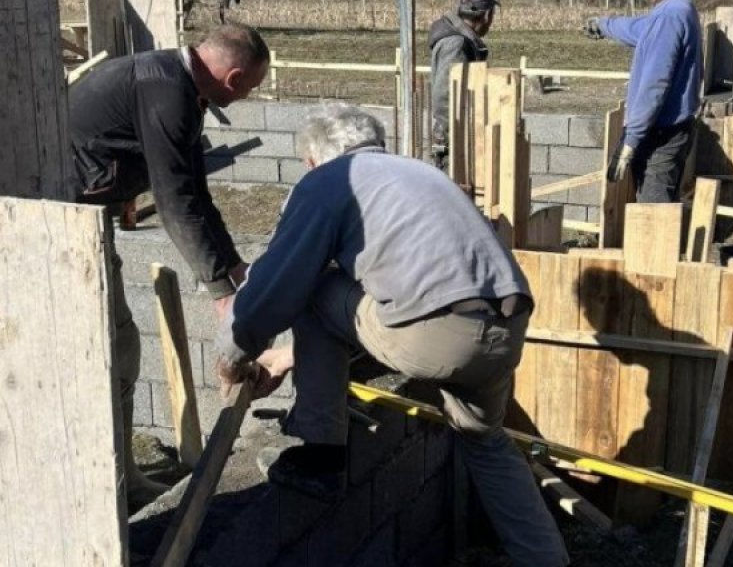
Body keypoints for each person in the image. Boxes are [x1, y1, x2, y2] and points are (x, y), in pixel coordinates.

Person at [212, 105, 570, 566]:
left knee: (314, 282)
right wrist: (287, 356)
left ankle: (321, 452)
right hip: (506, 328)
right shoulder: (420, 175)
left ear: (312, 160)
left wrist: (232, 354)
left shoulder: (328, 182)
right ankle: (549, 560)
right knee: (485, 442)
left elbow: (276, 285)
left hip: (435, 335)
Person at [64, 23, 269, 510]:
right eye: (251, 87)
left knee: (117, 349)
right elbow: (175, 202)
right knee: (116, 348)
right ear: (234, 77)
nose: (248, 97)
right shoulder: (166, 93)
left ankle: (118, 476)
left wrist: (233, 266)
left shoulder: (178, 84)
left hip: (84, 217)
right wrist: (222, 294)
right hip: (63, 228)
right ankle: (114, 484)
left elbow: (196, 191)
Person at [584, 0, 702, 202]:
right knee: (661, 209)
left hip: (662, 134)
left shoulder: (668, 17)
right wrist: (604, 25)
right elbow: (640, 29)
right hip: (672, 129)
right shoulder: (680, 8)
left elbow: (654, 85)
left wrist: (631, 140)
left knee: (653, 213)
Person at [428, 0, 497, 171]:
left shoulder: (459, 40)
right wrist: (460, 138)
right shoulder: (456, 44)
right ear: (487, 15)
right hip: (454, 144)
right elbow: (444, 98)